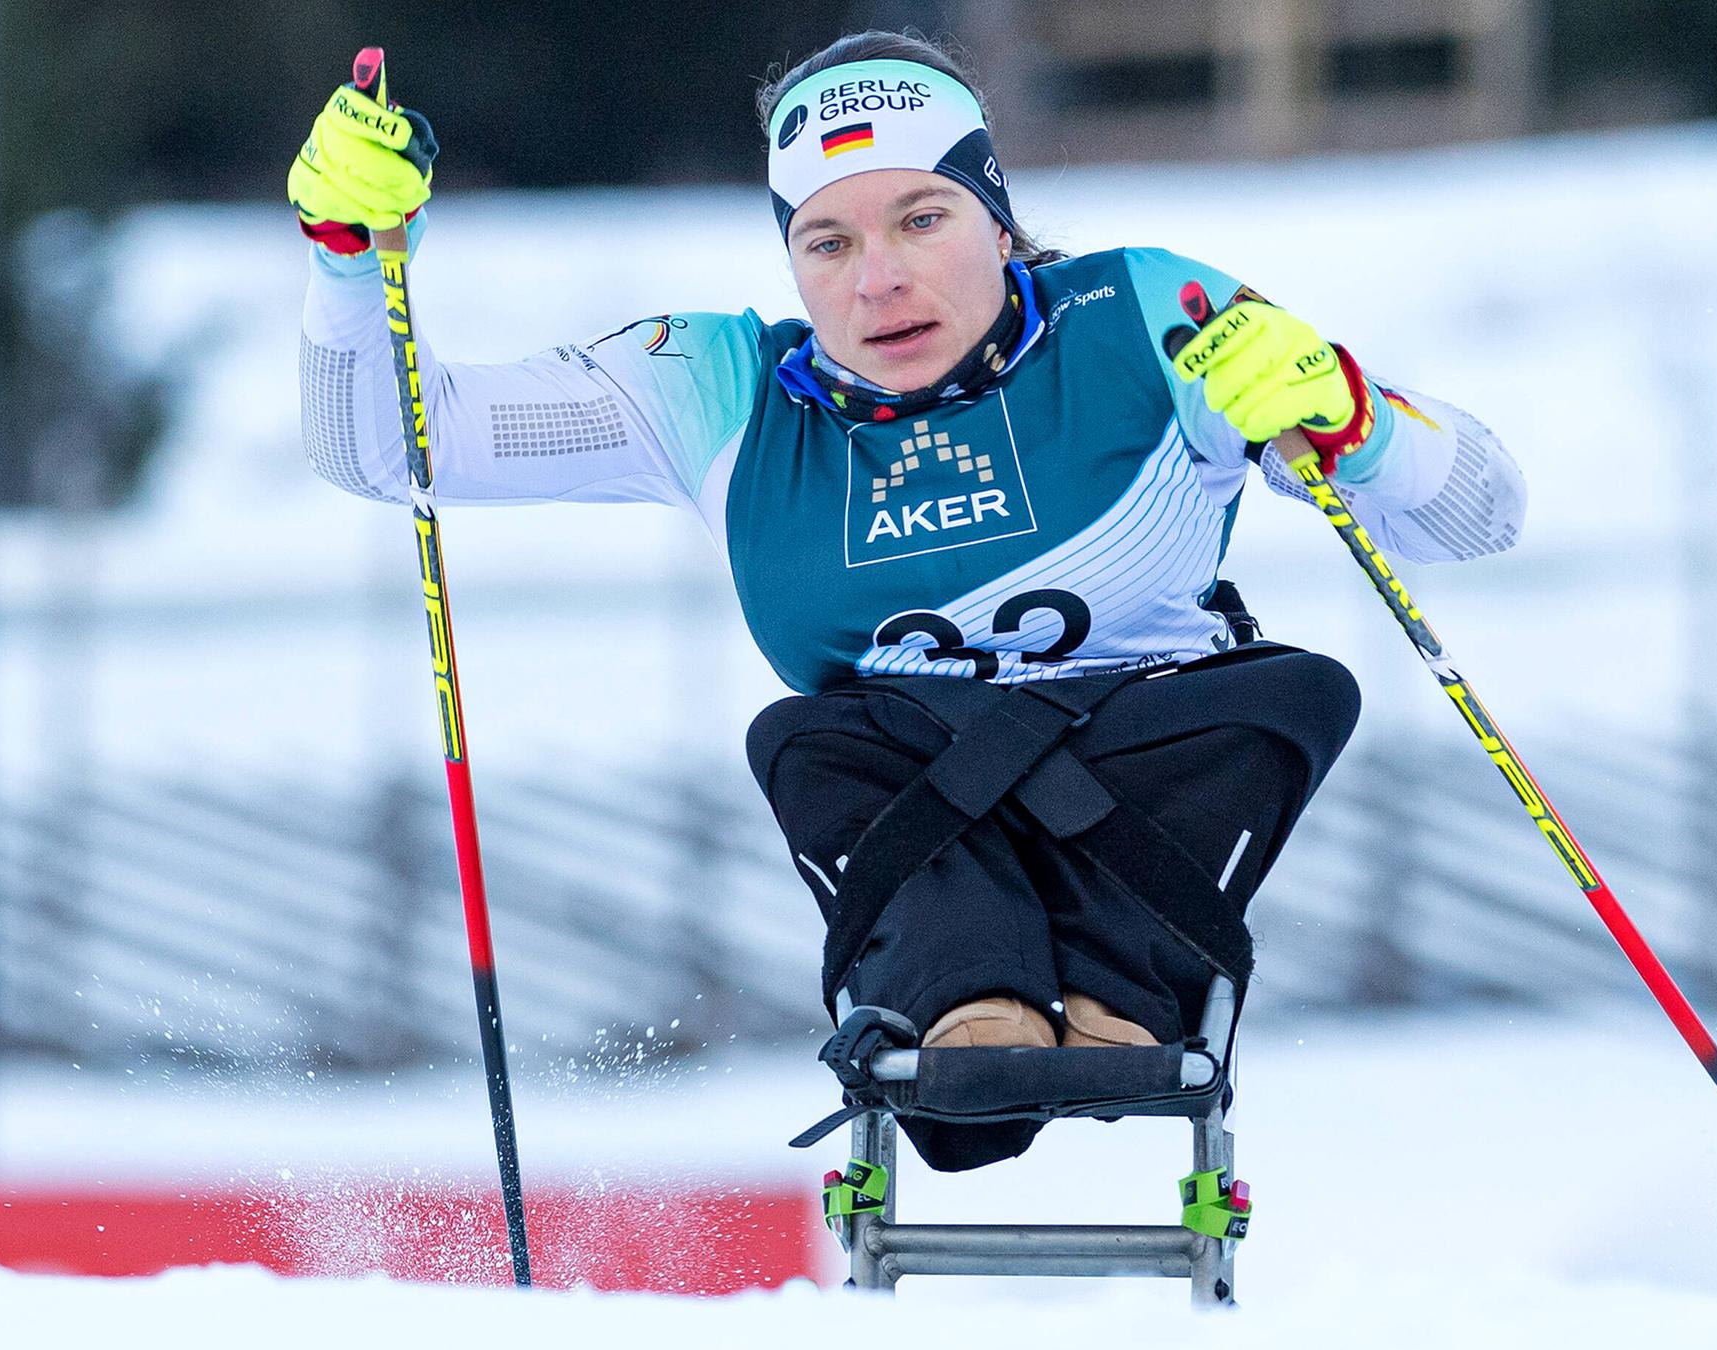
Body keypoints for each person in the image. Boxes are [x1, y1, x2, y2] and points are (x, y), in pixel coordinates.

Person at [289, 31, 1526, 1172]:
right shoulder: (719, 384)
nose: (878, 280)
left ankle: (1116, 993)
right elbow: (390, 448)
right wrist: (349, 258)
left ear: (998, 220)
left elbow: (1478, 517)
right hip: (909, 789)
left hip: (1149, 764)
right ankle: (966, 1009)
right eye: (827, 242)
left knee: (1294, 692)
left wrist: (1359, 422)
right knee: (808, 740)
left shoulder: (1148, 314)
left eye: (922, 219)